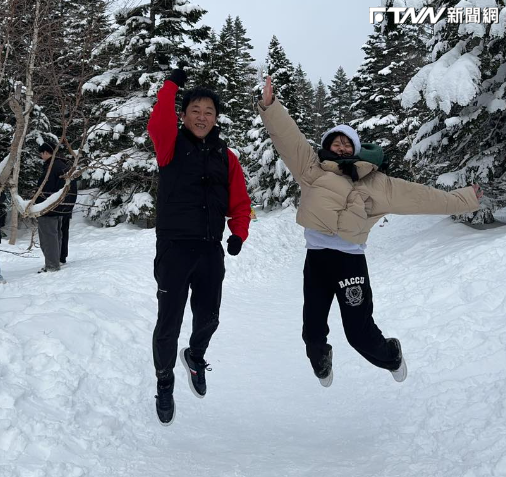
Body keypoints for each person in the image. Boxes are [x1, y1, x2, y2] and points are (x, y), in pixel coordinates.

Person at [258, 76, 482, 387]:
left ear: (357, 149)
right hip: (318, 259)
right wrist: (270, 107)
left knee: (359, 334)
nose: (340, 145)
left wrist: (464, 199)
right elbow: (288, 138)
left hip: (350, 261)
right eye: (335, 142)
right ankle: (321, 362)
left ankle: (391, 355)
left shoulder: (376, 183)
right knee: (311, 332)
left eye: (347, 142)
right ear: (325, 148)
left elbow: (421, 197)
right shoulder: (311, 170)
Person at [147, 64, 251, 426]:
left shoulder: (227, 157)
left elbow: (240, 201)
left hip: (209, 249)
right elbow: (158, 120)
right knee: (169, 322)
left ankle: (194, 355)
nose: (202, 116)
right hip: (175, 248)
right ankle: (164, 382)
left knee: (209, 317)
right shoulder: (169, 145)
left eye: (209, 111)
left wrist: (238, 232)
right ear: (185, 115)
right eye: (195, 110)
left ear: (217, 117)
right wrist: (172, 86)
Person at [36, 142, 71, 273]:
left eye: (41, 153)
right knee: (56, 236)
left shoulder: (51, 166)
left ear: (46, 152)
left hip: (49, 207)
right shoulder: (62, 165)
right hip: (60, 207)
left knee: (48, 237)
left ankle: (52, 265)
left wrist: (38, 204)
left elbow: (46, 188)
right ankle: (55, 261)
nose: (41, 156)